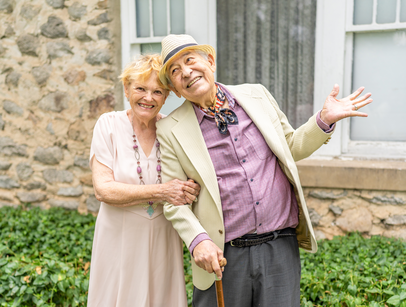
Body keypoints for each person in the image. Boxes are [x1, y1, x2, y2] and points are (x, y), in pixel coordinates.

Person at [156, 34, 373, 307]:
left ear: (210, 61)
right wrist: (197, 240)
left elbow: (290, 147)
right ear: (175, 88)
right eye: (175, 71)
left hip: (279, 246)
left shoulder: (256, 94)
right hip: (222, 256)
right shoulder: (169, 129)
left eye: (190, 60)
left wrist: (323, 120)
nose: (186, 72)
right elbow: (175, 201)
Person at [87, 54, 200, 307]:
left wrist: (190, 188)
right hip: (119, 238)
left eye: (158, 92)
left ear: (166, 97)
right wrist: (163, 192)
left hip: (163, 238)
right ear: (127, 89)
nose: (148, 98)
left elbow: (190, 180)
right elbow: (103, 189)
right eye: (140, 88)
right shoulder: (108, 125)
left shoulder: (172, 130)